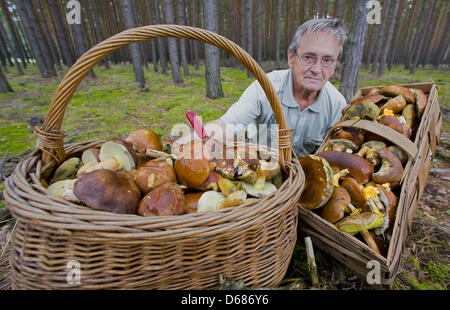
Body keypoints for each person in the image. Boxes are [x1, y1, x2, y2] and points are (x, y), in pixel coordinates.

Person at [177, 18, 347, 158]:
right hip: (259, 169)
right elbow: (228, 126)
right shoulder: (266, 86)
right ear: (291, 58)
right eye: (309, 57)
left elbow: (334, 153)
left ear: (334, 65)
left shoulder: (337, 104)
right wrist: (193, 144)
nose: (317, 69)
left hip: (304, 183)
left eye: (327, 60)